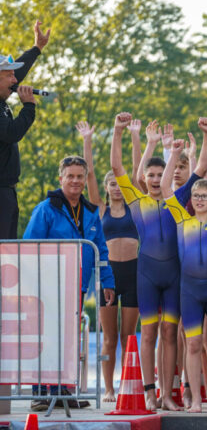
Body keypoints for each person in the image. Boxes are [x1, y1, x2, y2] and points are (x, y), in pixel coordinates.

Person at [24, 155, 115, 410]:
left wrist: (107, 281)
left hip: (78, 285)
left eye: (80, 176)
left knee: (69, 339)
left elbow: (101, 250)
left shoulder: (90, 211)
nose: (75, 181)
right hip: (48, 285)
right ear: (61, 178)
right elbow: (29, 246)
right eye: (70, 176)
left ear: (86, 180)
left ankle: (63, 390)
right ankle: (41, 393)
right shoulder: (46, 209)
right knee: (47, 337)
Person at [111, 112, 188, 411]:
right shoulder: (136, 200)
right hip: (147, 274)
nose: (156, 180)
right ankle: (149, 392)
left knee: (170, 333)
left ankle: (168, 393)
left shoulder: (176, 199)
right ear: (144, 178)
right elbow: (117, 167)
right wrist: (118, 131)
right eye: (151, 175)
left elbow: (195, 173)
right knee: (149, 332)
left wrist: (176, 153)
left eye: (161, 175)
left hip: (173, 274)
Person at [161, 137, 207, 413]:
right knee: (192, 344)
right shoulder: (182, 219)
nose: (201, 200)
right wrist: (175, 154)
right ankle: (193, 397)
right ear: (191, 199)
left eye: (205, 196)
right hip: (189, 291)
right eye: (196, 196)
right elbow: (167, 187)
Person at [76, 120, 141, 403]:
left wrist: (136, 138)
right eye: (111, 183)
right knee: (109, 338)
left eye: (118, 183)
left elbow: (137, 173)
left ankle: (128, 386)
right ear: (105, 187)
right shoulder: (99, 208)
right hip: (108, 276)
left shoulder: (135, 206)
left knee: (129, 337)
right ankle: (109, 389)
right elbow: (88, 175)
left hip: (134, 274)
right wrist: (87, 141)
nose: (116, 187)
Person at [0, 21, 50, 238]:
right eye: (9, 76)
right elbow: (11, 133)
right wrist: (28, 106)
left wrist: (36, 48)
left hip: (6, 190)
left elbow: (14, 75)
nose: (15, 81)